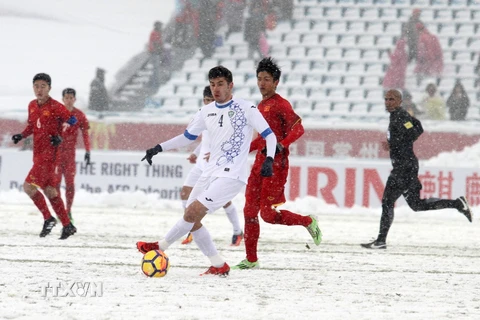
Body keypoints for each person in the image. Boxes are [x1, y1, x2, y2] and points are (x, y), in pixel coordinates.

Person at [136, 66, 278, 276]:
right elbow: (187, 137)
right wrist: (158, 148)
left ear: (231, 86)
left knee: (192, 212)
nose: (216, 89)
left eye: (220, 84)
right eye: (212, 85)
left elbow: (270, 135)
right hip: (209, 172)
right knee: (191, 219)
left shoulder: (246, 108)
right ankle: (219, 265)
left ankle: (159, 246)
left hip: (231, 175)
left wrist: (269, 158)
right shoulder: (206, 111)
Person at [233, 57, 322, 270]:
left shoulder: (282, 104)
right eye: (259, 79)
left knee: (268, 215)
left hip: (276, 166)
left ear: (276, 82)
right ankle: (251, 259)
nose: (262, 83)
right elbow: (262, 139)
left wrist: (282, 144)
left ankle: (307, 221)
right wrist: (242, 149)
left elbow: (299, 129)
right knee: (248, 212)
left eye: (266, 79)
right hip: (259, 164)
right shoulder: (261, 106)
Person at [361, 90, 472, 250]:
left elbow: (414, 130)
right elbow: (418, 126)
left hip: (404, 168)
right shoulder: (397, 115)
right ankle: (457, 203)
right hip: (407, 166)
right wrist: (395, 143)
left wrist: (398, 143)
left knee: (387, 201)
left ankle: (381, 240)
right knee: (417, 205)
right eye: (386, 99)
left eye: (391, 99)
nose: (388, 102)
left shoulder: (400, 116)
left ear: (399, 100)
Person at [11, 73, 78, 239]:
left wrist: (61, 135)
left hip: (49, 155)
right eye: (36, 86)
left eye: (43, 86)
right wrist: (22, 135)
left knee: (28, 187)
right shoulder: (32, 105)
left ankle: (48, 218)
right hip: (38, 153)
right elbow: (32, 126)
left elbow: (73, 121)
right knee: (50, 191)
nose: (39, 90)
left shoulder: (55, 106)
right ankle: (67, 225)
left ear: (49, 88)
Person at [181, 86, 243, 246]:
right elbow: (205, 140)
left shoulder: (222, 117)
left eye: (211, 100)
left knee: (222, 201)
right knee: (185, 193)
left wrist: (218, 153)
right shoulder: (204, 115)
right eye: (206, 100)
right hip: (201, 164)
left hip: (215, 166)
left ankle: (237, 231)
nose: (209, 103)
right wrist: (195, 153)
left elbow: (229, 140)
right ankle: (190, 228)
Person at [56, 88, 91, 223]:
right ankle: (60, 212)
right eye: (67, 98)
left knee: (70, 185)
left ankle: (68, 210)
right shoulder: (57, 114)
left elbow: (85, 134)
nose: (69, 100)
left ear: (74, 99)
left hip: (70, 155)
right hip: (57, 154)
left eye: (71, 98)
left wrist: (88, 151)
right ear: (63, 99)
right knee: (56, 184)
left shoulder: (79, 115)